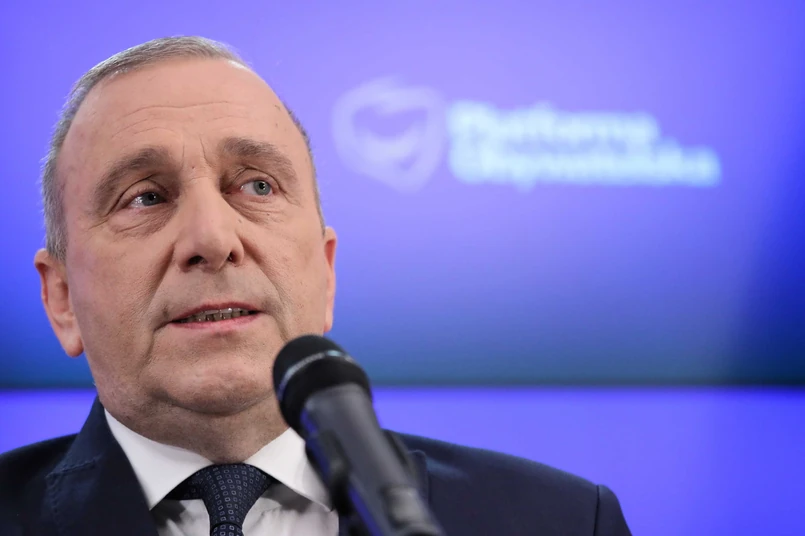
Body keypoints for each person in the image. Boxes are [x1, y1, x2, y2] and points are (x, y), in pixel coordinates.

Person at [0, 36, 632, 535]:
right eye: (145, 197)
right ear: (62, 300)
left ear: (326, 273)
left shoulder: (566, 521)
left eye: (257, 186)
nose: (212, 238)